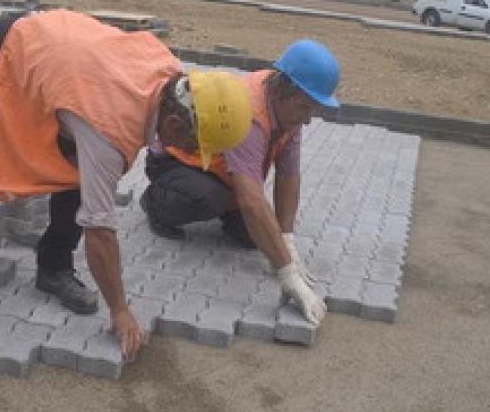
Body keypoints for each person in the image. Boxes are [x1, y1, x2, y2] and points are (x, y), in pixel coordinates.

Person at [0, 9, 252, 357]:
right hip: (3, 48)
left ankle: (53, 267)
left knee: (76, 173)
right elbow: (100, 230)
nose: (189, 154)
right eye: (193, 146)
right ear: (172, 124)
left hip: (63, 67)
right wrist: (120, 310)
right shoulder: (107, 132)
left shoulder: (171, 75)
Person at [139, 39, 341, 325]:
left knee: (253, 239)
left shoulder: (288, 114)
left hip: (225, 176)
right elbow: (250, 200)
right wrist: (288, 275)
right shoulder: (251, 113)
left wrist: (286, 240)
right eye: (304, 108)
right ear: (284, 89)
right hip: (177, 162)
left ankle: (228, 211)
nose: (307, 120)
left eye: (313, 111)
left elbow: (288, 174)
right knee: (210, 199)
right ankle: (155, 203)